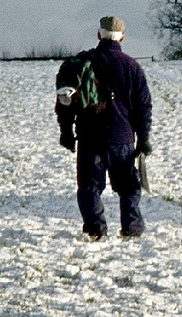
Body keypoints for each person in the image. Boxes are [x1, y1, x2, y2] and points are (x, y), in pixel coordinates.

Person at [58, 15, 153, 239]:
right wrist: (144, 138)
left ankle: (95, 230)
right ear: (123, 37)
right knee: (129, 187)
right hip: (123, 138)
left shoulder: (81, 63)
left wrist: (66, 133)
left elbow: (65, 101)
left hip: (90, 137)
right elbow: (143, 106)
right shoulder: (132, 66)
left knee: (90, 187)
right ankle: (132, 228)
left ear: (99, 35)